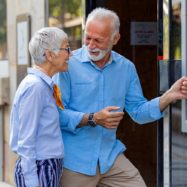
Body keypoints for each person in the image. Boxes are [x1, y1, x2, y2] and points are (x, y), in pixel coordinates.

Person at [54, 8, 187, 187]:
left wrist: (169, 96)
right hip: (75, 161)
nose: (90, 45)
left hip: (110, 157)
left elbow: (139, 112)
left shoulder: (126, 68)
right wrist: (93, 118)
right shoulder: (67, 65)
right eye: (88, 38)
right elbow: (57, 114)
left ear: (115, 39)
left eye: (98, 40)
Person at [9, 27, 71, 187]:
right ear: (50, 55)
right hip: (40, 167)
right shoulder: (35, 87)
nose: (70, 54)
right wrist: (31, 182)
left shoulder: (42, 85)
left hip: (45, 166)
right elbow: (26, 141)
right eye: (66, 48)